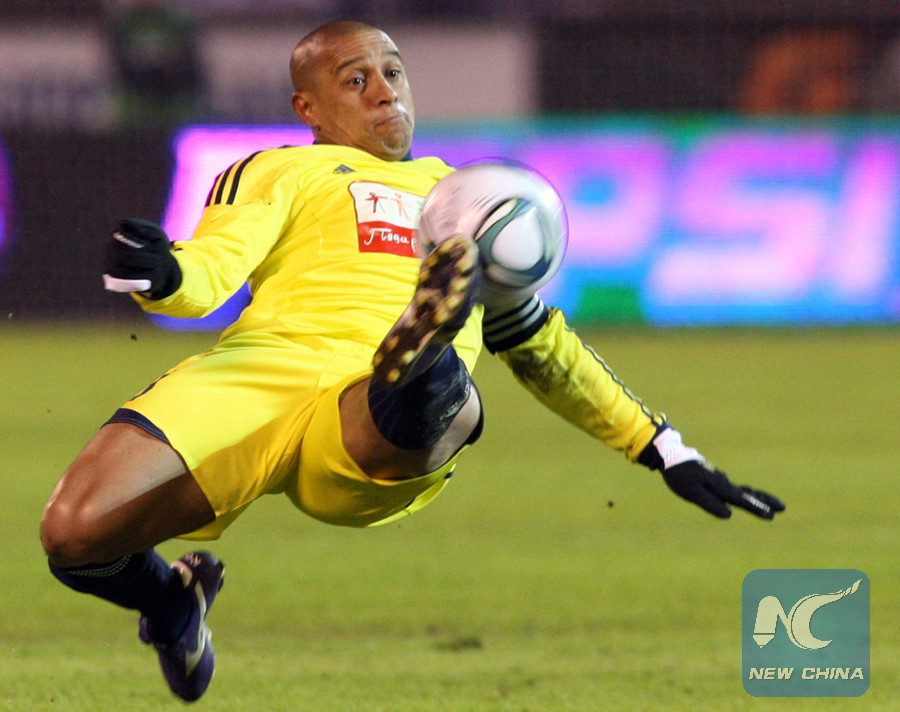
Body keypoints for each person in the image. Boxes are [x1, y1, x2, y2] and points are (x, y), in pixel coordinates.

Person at [40, 20, 785, 703]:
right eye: (356, 79)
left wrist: (659, 445)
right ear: (308, 108)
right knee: (72, 537)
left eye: (393, 72)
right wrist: (163, 274)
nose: (384, 91)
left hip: (366, 420)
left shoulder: (468, 197)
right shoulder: (278, 171)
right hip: (261, 372)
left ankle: (420, 358)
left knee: (437, 393)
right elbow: (211, 267)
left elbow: (542, 346)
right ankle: (173, 604)